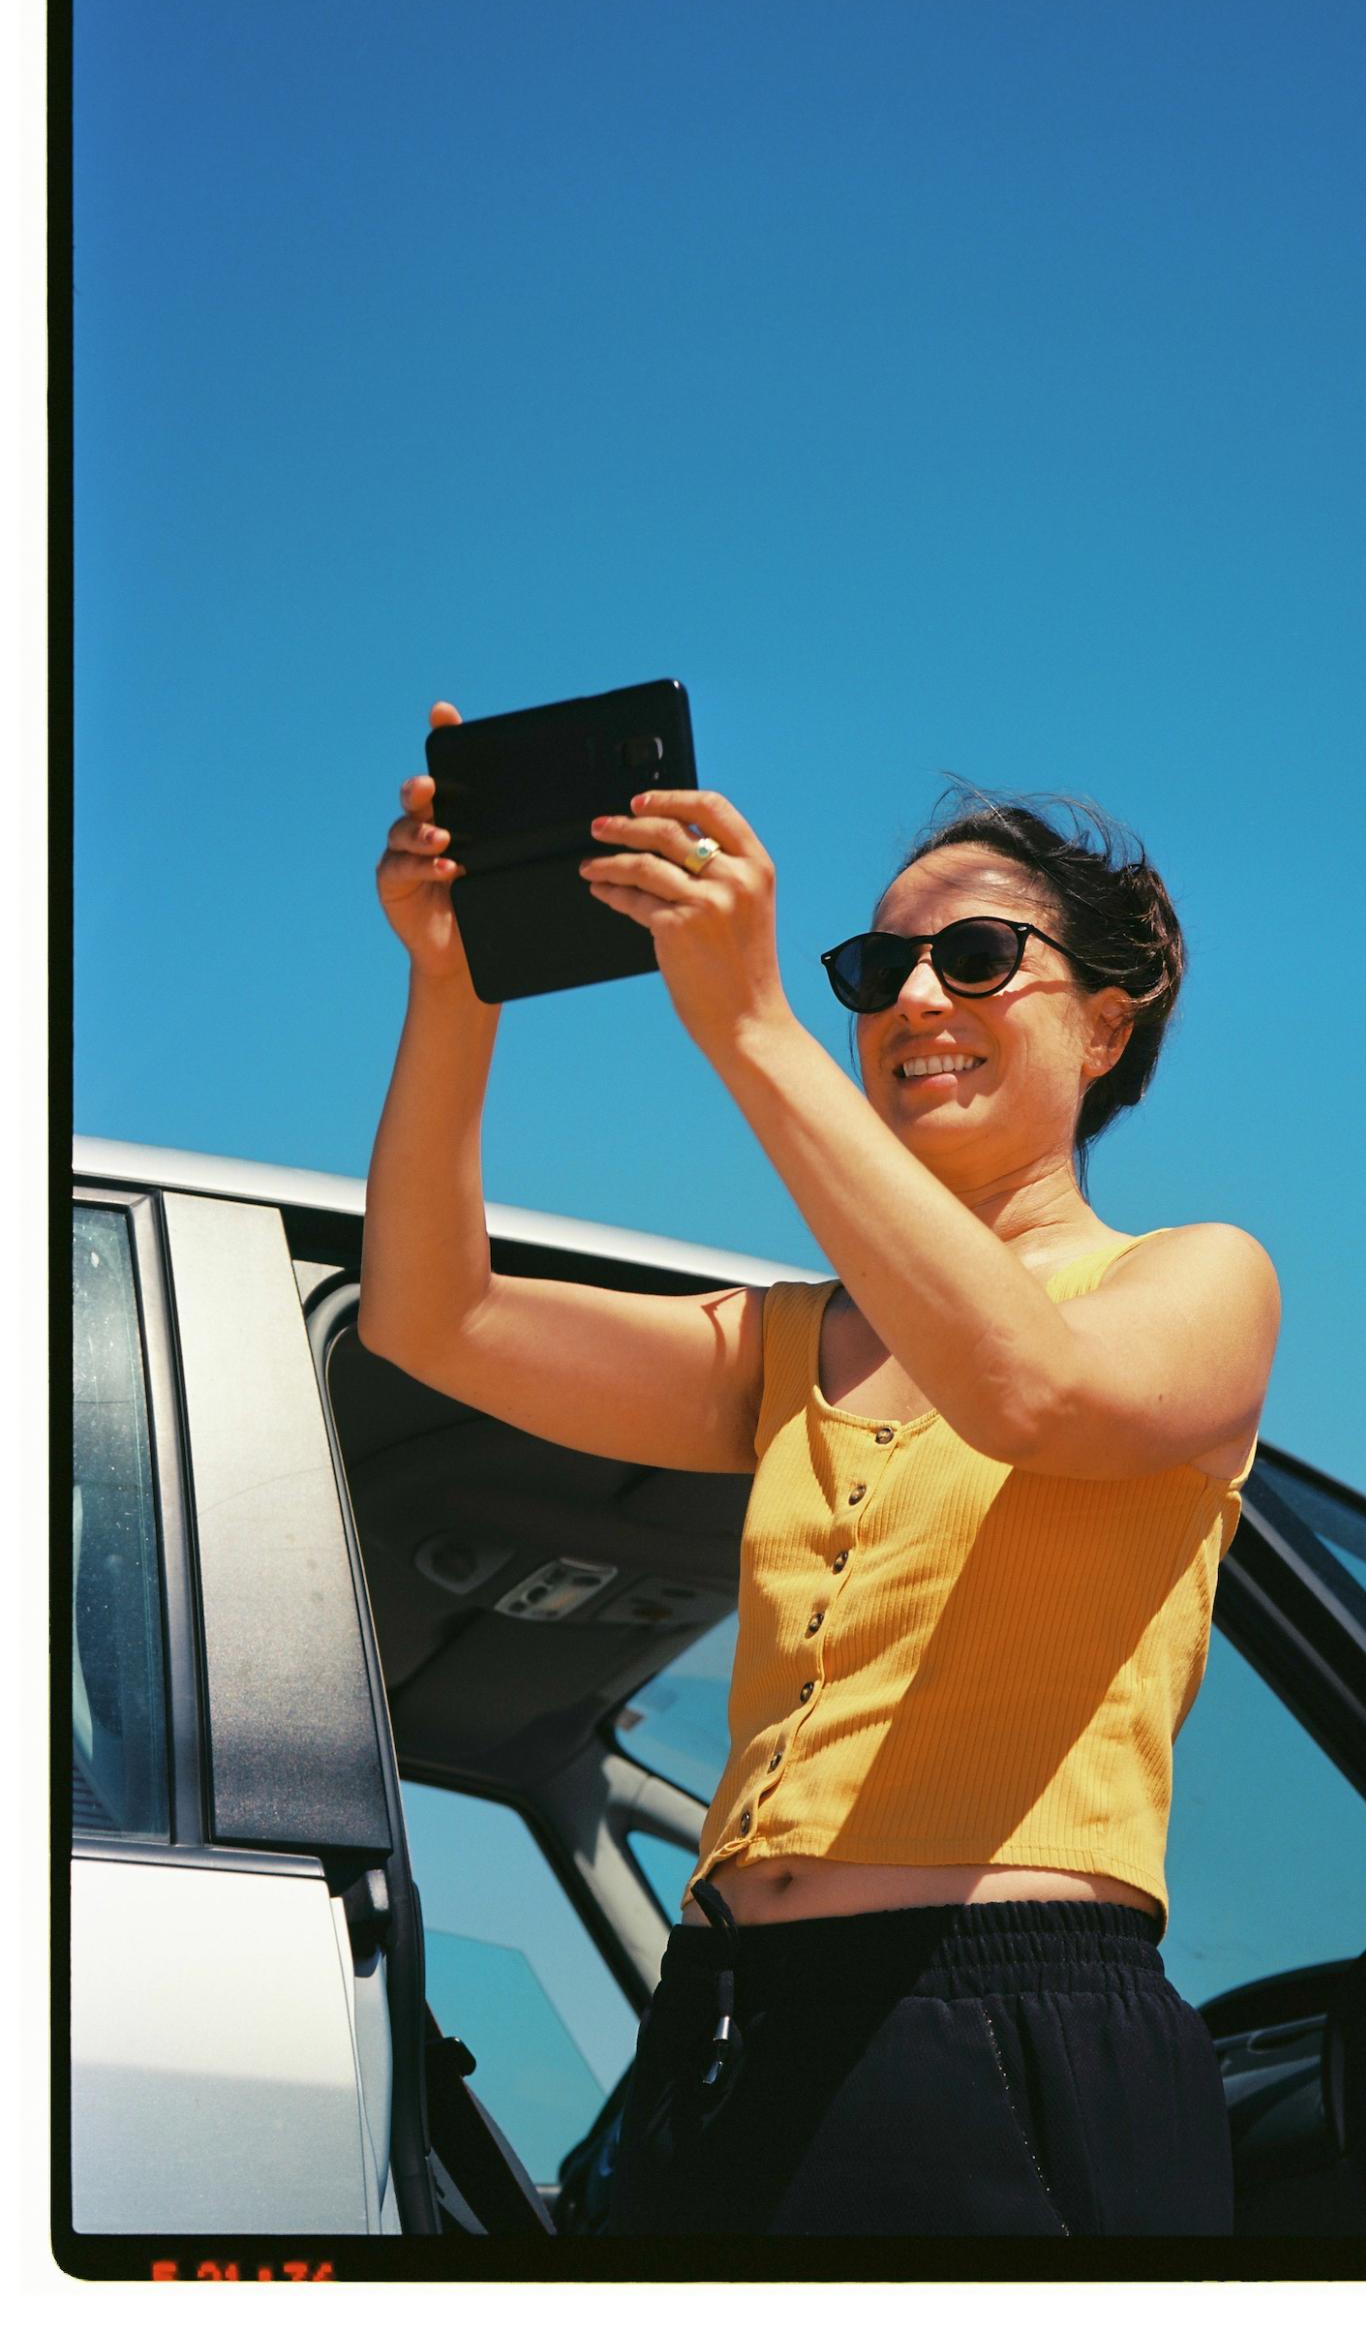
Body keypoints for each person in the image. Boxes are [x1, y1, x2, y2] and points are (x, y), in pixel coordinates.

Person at [361, 700, 1281, 2239]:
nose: (914, 996)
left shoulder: (1197, 1279)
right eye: (872, 971)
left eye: (975, 957)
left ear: (1106, 1027)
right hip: (724, 2029)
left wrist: (754, 1025)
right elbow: (429, 1316)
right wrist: (455, 982)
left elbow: (1036, 1392)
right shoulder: (788, 1342)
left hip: (1009, 2033)